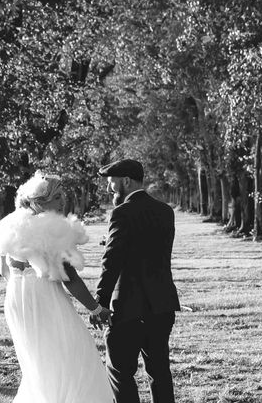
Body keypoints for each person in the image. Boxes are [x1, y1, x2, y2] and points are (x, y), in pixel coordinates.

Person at [0, 171, 113, 403]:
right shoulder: (51, 228)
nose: (63, 200)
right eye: (57, 197)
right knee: (72, 358)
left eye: (62, 195)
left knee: (38, 366)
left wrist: (26, 287)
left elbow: (6, 272)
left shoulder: (9, 224)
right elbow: (70, 278)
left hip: (17, 301)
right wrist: (95, 309)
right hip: (47, 300)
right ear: (40, 201)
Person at [95, 159, 180, 403]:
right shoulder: (166, 212)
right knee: (160, 373)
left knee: (120, 372)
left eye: (112, 183)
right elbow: (151, 251)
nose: (110, 189)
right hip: (162, 305)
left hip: (128, 307)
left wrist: (100, 302)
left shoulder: (122, 213)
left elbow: (111, 262)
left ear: (126, 181)